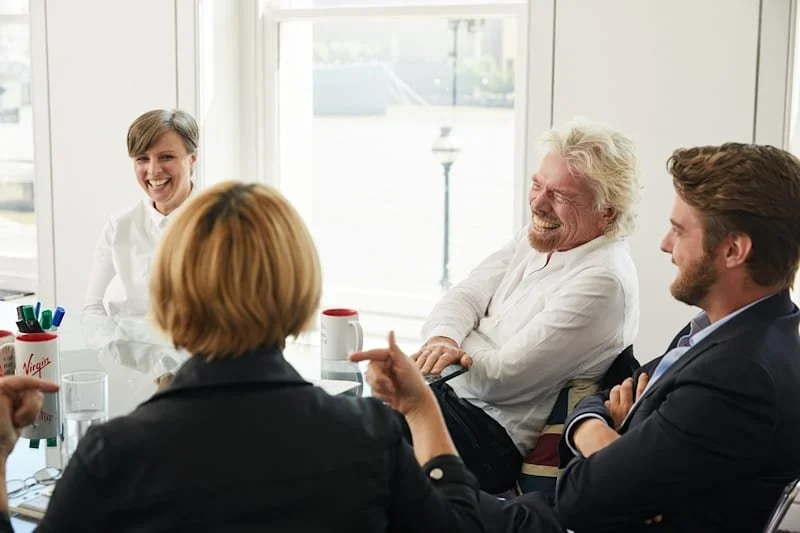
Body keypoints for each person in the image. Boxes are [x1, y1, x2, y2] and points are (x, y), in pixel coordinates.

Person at [1, 181, 483, 532]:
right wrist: (421, 410)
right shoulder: (367, 437)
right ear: (299, 292)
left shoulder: (115, 455)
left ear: (170, 293)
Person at [478, 142, 800, 532]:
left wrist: (598, 437)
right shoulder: (726, 331)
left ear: (733, 250)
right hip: (570, 512)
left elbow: (581, 499)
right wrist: (598, 432)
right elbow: (605, 399)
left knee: (418, 492)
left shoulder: (738, 375)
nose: (665, 244)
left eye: (679, 231)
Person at [412, 120, 641, 492]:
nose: (537, 203)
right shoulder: (539, 237)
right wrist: (443, 337)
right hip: (449, 399)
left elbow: (500, 379)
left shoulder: (603, 280)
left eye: (561, 196)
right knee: (346, 428)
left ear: (607, 213)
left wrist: (460, 340)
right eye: (537, 185)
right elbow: (463, 295)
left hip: (488, 437)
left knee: (359, 445)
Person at [82, 109, 200, 390]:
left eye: (166, 157)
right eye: (142, 159)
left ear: (192, 159)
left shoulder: (222, 224)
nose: (153, 170)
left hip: (200, 375)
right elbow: (92, 307)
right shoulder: (119, 226)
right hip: (131, 371)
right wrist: (120, 358)